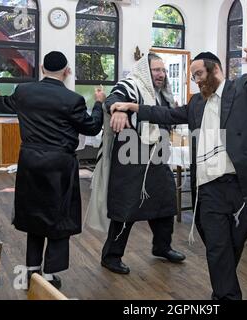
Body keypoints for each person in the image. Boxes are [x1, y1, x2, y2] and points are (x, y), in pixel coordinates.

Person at [109, 45, 247, 299]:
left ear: (215, 69)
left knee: (231, 246)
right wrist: (133, 108)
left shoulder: (241, 89)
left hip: (241, 189)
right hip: (208, 188)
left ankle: (222, 294)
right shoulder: (196, 103)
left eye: (198, 74)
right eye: (193, 76)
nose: (195, 80)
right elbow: (167, 113)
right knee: (217, 247)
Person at [0, 51, 105, 289]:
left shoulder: (24, 92)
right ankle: (51, 274)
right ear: (66, 71)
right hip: (60, 165)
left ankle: (32, 268)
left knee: (34, 213)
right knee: (59, 216)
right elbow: (92, 127)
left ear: (41, 68)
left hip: (30, 161)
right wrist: (99, 103)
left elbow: (0, 104)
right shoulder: (72, 99)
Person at [96, 53, 186, 275]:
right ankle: (111, 256)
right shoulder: (130, 85)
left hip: (157, 156)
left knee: (166, 204)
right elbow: (112, 99)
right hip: (131, 158)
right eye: (156, 70)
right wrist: (117, 109)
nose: (161, 74)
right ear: (145, 70)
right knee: (126, 208)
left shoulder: (163, 93)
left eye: (163, 70)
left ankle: (162, 247)